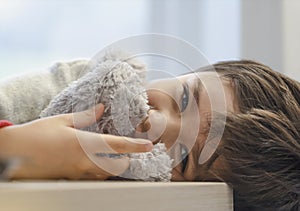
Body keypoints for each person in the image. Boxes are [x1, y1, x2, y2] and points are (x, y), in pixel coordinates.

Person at [0, 59, 299, 210]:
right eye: (183, 100)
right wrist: (10, 148)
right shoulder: (81, 83)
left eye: (183, 160)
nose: (153, 122)